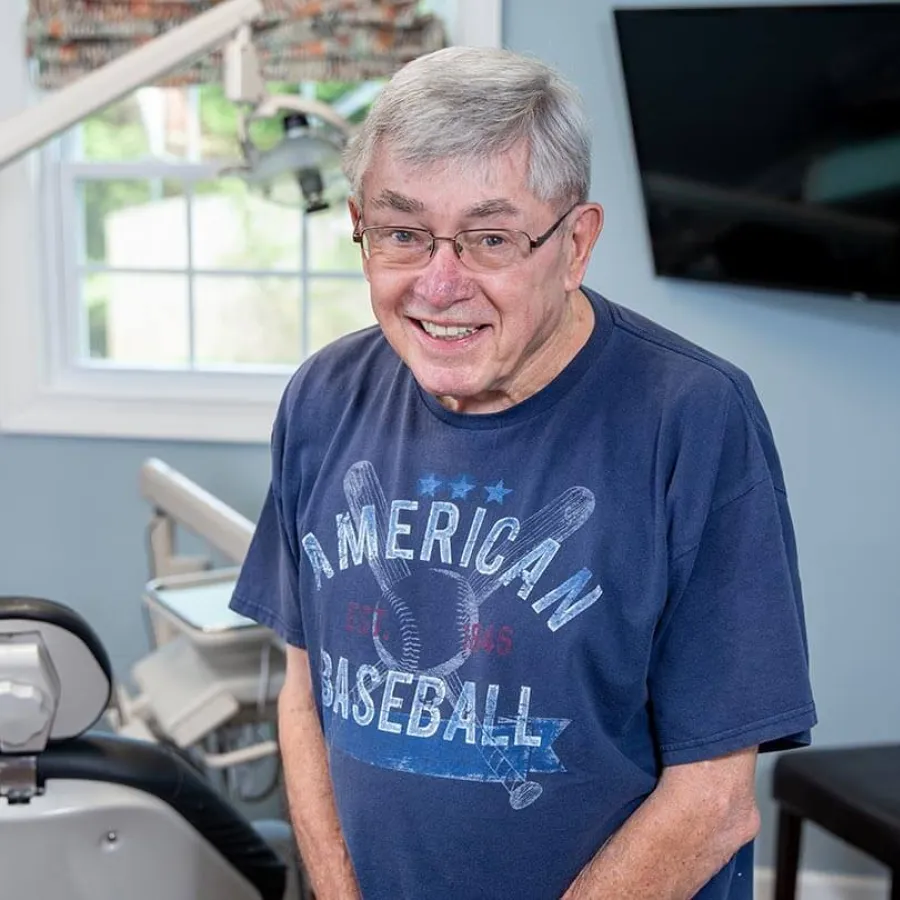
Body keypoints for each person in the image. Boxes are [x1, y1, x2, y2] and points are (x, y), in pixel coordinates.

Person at [230, 45, 816, 900]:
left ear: (575, 244)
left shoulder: (692, 418)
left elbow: (715, 801)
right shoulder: (324, 397)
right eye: (401, 234)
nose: (439, 283)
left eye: (490, 239)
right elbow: (304, 691)